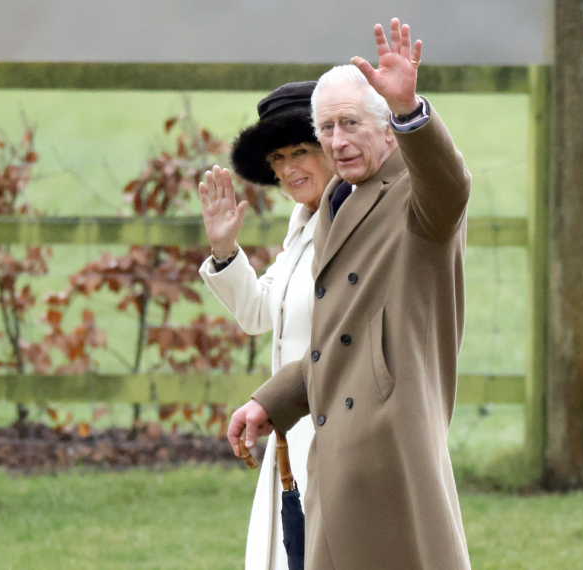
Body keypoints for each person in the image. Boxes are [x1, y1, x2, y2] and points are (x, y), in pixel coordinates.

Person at [228, 18, 472, 570]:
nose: (337, 141)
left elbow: (449, 183)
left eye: (351, 124)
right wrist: (273, 400)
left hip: (391, 448)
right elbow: (340, 334)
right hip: (334, 448)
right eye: (327, 128)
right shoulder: (338, 199)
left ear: (388, 130)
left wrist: (412, 112)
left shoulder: (417, 192)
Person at [196, 81, 332, 570]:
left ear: (332, 147)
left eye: (301, 151)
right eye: (278, 158)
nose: (289, 169)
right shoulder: (301, 225)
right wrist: (224, 250)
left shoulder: (353, 223)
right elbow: (258, 314)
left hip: (336, 434)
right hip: (286, 432)